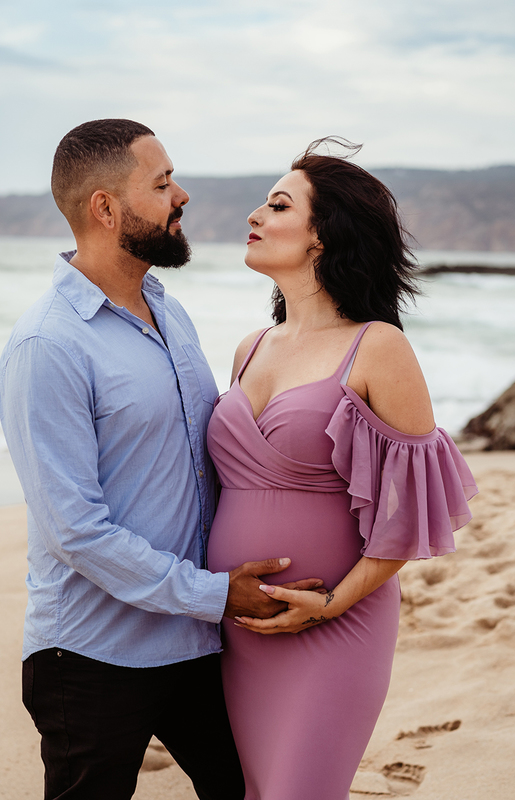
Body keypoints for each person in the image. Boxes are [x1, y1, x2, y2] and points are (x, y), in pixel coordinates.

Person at [0, 119, 322, 800]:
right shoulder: (48, 346)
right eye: (163, 182)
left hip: (195, 643)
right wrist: (214, 593)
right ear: (106, 208)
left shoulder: (170, 315)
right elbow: (75, 530)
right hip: (91, 655)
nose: (183, 196)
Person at [205, 139, 479, 798]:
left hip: (339, 626)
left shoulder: (378, 347)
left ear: (325, 234)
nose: (255, 215)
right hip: (237, 630)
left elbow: (409, 518)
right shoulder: (249, 348)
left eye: (277, 205)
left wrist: (329, 603)